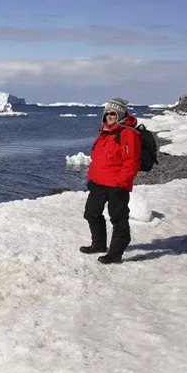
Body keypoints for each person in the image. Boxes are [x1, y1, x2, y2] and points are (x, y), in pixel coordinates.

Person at [81, 97, 142, 264]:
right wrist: (91, 179)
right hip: (98, 182)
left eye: (113, 113)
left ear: (120, 114)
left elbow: (132, 162)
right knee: (91, 213)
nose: (109, 116)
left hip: (117, 184)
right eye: (107, 113)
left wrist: (122, 183)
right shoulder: (104, 132)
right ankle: (99, 245)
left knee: (118, 218)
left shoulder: (128, 133)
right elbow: (98, 158)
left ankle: (115, 253)